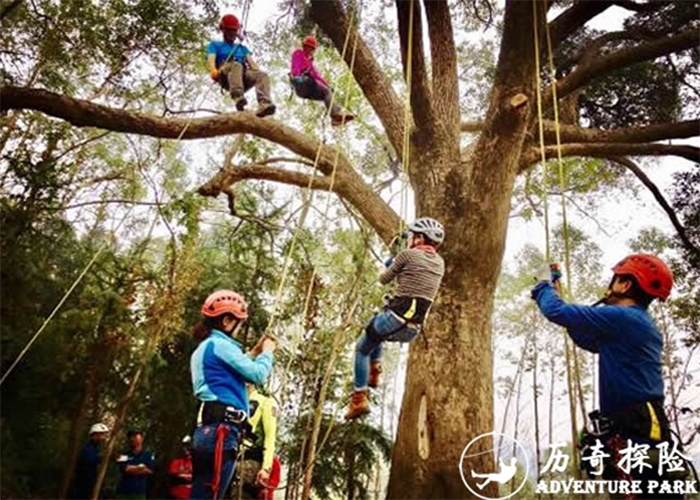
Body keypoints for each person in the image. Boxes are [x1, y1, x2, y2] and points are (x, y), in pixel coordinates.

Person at [531, 254, 687, 499]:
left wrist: (543, 285)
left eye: (615, 278)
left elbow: (555, 311)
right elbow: (582, 336)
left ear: (625, 285)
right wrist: (556, 290)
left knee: (647, 488)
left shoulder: (625, 318)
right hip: (630, 420)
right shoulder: (631, 323)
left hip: (639, 420)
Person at [345, 218, 446, 421]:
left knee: (362, 348)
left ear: (419, 239)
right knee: (375, 329)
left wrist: (393, 261)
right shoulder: (440, 263)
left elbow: (384, 279)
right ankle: (375, 369)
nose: (409, 240)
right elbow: (414, 275)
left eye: (412, 236)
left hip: (395, 318)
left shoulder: (407, 254)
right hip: (413, 329)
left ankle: (359, 397)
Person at [190, 290, 276, 500]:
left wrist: (254, 353)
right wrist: (267, 352)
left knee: (202, 494)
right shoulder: (221, 345)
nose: (239, 329)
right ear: (227, 321)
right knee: (211, 495)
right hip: (221, 431)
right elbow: (257, 374)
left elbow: (229, 369)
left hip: (209, 431)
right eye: (239, 323)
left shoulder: (206, 347)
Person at [206, 14, 276, 117]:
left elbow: (252, 64)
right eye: (229, 30)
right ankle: (238, 97)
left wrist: (257, 74)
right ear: (223, 30)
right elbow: (211, 58)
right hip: (226, 75)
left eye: (234, 30)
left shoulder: (241, 47)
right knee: (236, 65)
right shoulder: (215, 45)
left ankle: (264, 104)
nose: (232, 33)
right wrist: (213, 70)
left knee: (262, 75)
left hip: (242, 77)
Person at [290, 35, 354, 127]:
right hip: (301, 83)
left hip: (308, 88)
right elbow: (296, 65)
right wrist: (297, 76)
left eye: (312, 48)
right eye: (308, 47)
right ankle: (336, 114)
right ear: (304, 46)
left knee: (327, 94)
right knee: (321, 88)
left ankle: (337, 118)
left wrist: (327, 85)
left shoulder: (310, 62)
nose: (310, 50)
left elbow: (317, 76)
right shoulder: (298, 53)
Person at [235, 386, 280, 500]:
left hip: (249, 462)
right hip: (228, 458)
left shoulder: (265, 402)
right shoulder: (232, 401)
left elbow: (270, 436)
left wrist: (266, 468)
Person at [71, 422, 109, 500]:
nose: (103, 438)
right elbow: (91, 459)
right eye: (101, 435)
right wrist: (103, 457)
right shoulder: (88, 448)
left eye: (104, 435)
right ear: (94, 435)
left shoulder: (95, 448)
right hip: (83, 485)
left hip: (90, 484)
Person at [115, 429, 155, 500]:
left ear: (141, 439)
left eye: (135, 436)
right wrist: (140, 468)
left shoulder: (148, 454)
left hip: (139, 491)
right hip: (122, 491)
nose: (132, 439)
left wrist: (132, 468)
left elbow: (149, 471)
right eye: (130, 437)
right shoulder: (124, 455)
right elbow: (125, 469)